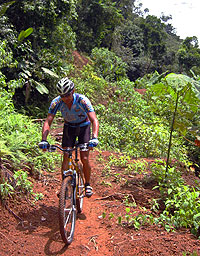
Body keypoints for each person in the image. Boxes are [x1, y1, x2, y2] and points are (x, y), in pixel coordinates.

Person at [39, 77, 99, 197]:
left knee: (85, 158)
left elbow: (94, 120)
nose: (65, 98)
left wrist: (94, 137)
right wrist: (44, 140)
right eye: (62, 96)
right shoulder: (56, 102)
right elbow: (48, 121)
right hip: (69, 127)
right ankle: (65, 185)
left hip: (84, 126)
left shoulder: (82, 100)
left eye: (67, 95)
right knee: (66, 155)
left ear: (73, 91)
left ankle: (87, 184)